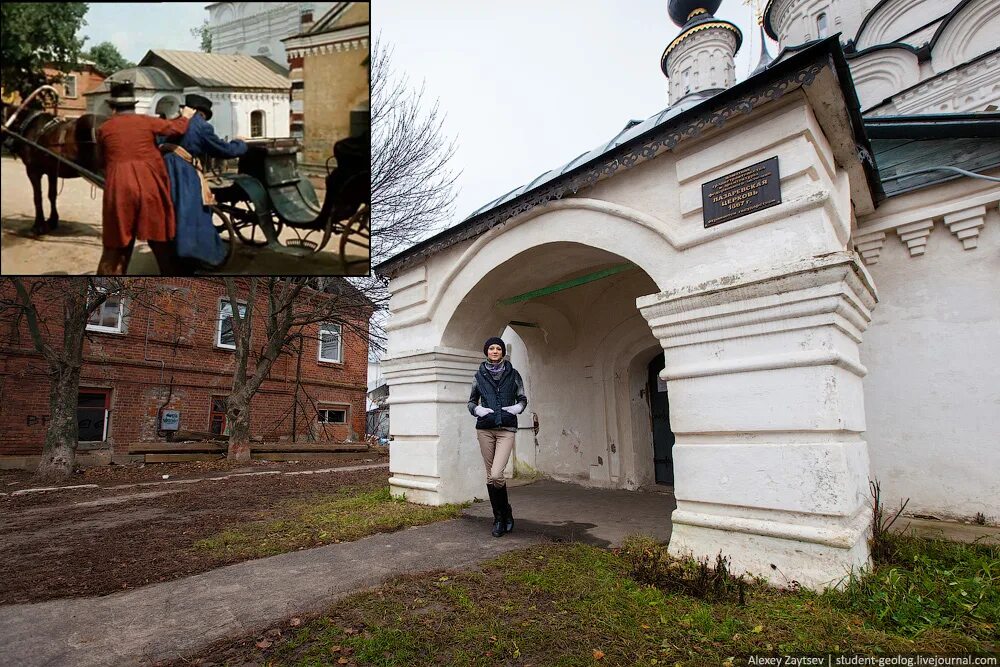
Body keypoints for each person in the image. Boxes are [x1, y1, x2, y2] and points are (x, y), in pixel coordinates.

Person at [96, 81, 195, 275]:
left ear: (112, 106)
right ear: (133, 105)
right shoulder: (147, 121)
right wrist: (185, 117)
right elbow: (176, 129)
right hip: (149, 183)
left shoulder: (104, 129)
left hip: (120, 187)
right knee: (159, 239)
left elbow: (101, 160)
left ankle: (106, 291)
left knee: (117, 242)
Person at [160, 94, 248, 270]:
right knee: (192, 211)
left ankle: (172, 252)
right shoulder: (201, 126)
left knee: (170, 211)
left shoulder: (173, 122)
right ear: (201, 113)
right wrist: (240, 144)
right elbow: (223, 150)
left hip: (164, 168)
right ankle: (194, 255)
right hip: (183, 171)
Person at [467, 336, 528, 537]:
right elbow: (471, 401)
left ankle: (506, 512)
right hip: (485, 428)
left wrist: (518, 407)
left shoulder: (513, 374)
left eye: (498, 348)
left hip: (506, 429)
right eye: (491, 348)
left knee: (496, 474)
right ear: (486, 352)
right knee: (490, 476)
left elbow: (522, 397)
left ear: (502, 352)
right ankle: (499, 518)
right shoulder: (479, 376)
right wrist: (477, 410)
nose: (494, 351)